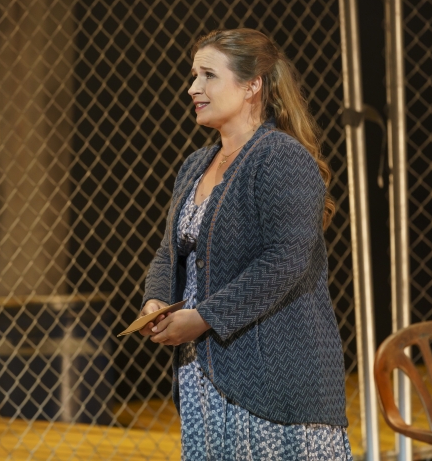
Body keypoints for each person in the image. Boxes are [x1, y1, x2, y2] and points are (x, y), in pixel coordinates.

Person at [139, 28, 352, 460]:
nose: (193, 87)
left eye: (208, 75)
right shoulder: (195, 166)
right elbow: (170, 251)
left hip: (277, 381)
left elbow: (286, 260)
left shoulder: (280, 157)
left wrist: (204, 318)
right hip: (207, 374)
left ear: (252, 84)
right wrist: (156, 301)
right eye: (193, 75)